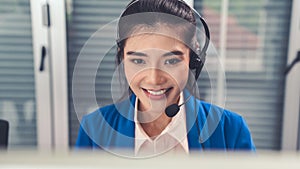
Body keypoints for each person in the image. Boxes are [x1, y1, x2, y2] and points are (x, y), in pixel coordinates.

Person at [75, 0, 255, 157]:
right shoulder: (94, 129)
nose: (154, 79)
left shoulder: (231, 130)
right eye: (138, 60)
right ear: (122, 59)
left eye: (171, 61)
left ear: (193, 60)